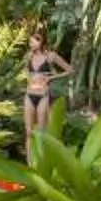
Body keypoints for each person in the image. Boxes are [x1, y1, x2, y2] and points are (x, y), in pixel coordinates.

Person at [23, 32, 72, 160]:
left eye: (32, 42)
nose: (30, 44)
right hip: (29, 95)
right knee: (29, 132)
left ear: (40, 42)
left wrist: (51, 77)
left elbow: (70, 70)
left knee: (41, 133)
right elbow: (25, 70)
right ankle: (29, 164)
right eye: (30, 42)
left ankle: (41, 163)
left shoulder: (51, 56)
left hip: (43, 95)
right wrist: (29, 78)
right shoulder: (29, 56)